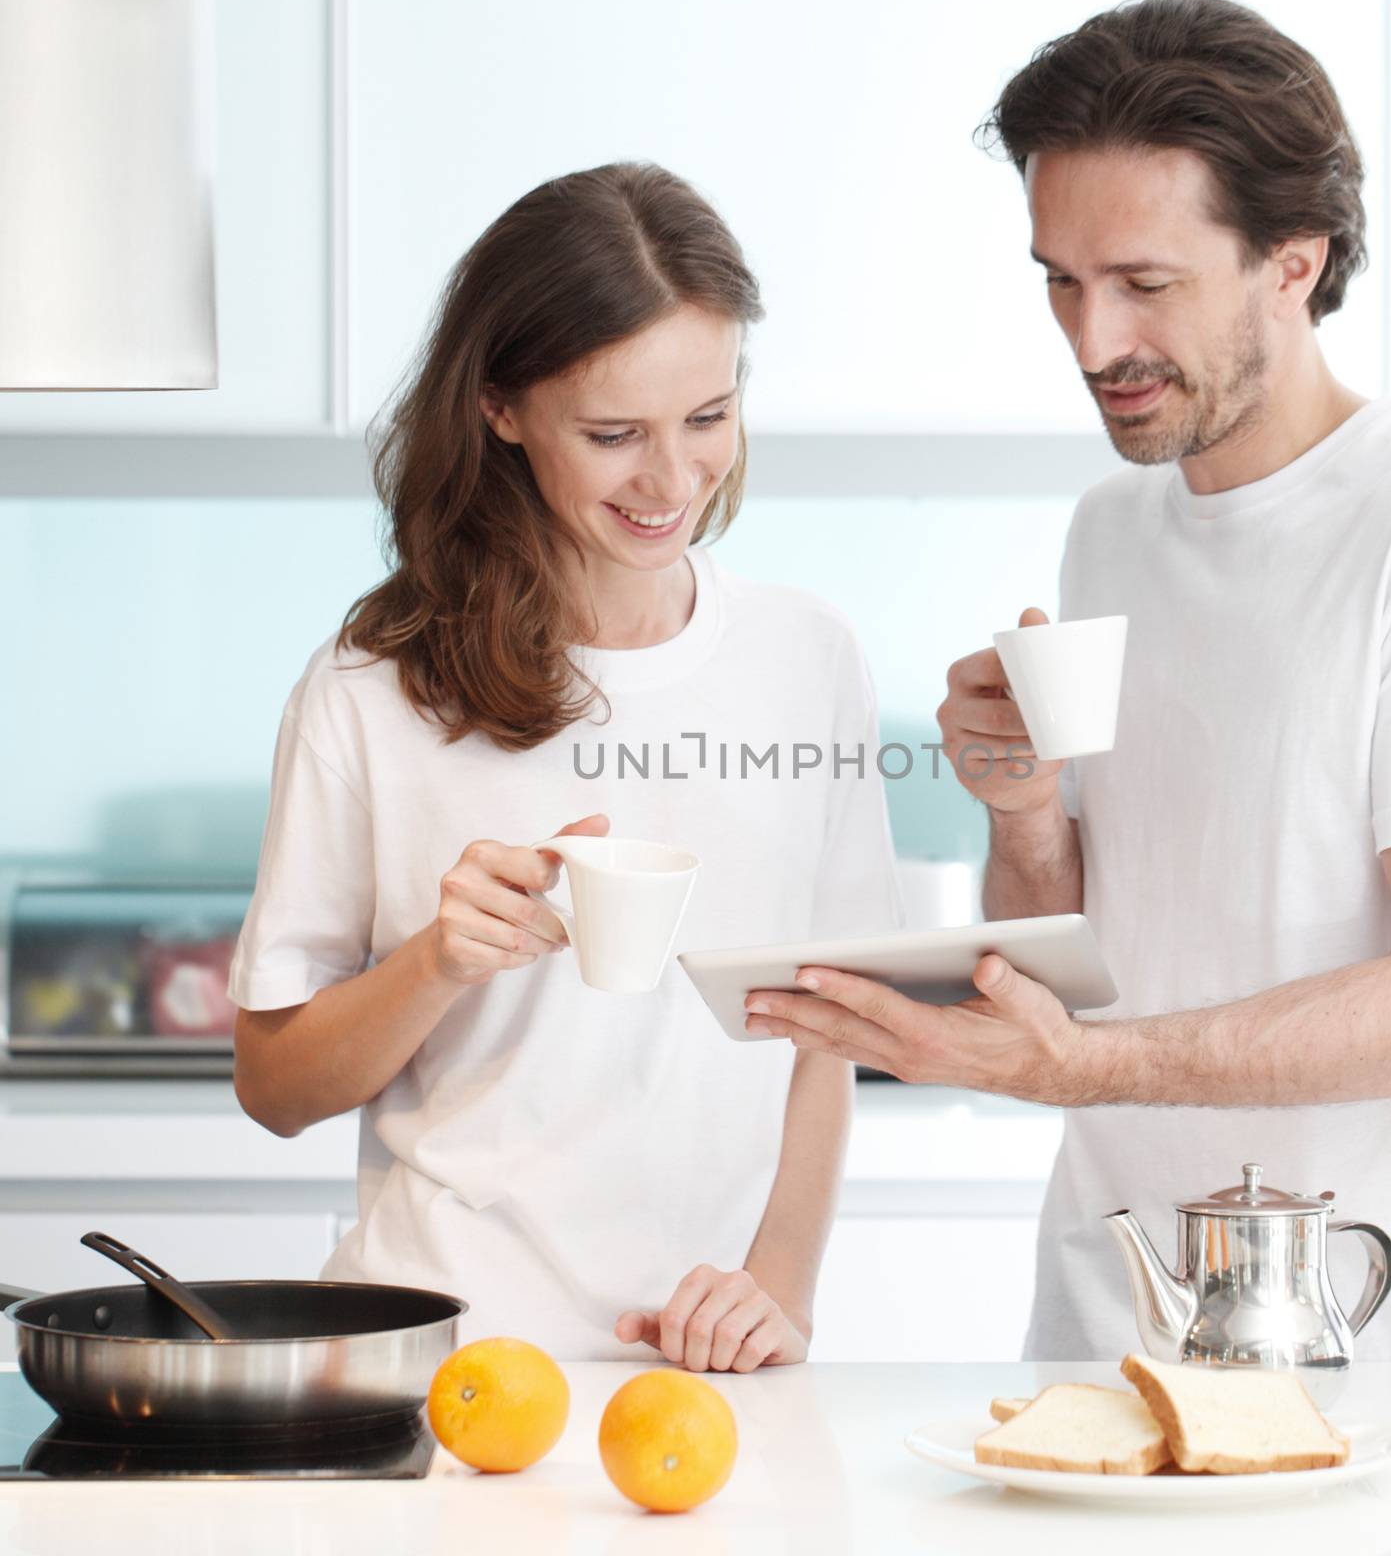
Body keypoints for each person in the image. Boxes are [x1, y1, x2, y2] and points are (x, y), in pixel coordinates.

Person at [742, 0, 1391, 1360]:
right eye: (1061, 282)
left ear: (1294, 263)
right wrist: (1023, 809)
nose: (1093, 346)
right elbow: (1084, 962)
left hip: (1364, 1341)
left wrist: (1089, 1071)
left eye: (1145, 284)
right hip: (1112, 1318)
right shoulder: (1114, 529)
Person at [229, 162, 902, 1370]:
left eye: (708, 416)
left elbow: (828, 1029)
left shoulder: (809, 656)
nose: (671, 480)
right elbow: (274, 1085)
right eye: (612, 434)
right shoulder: (372, 687)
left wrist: (777, 1290)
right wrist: (440, 961)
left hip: (708, 1370)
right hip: (444, 1357)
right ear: (500, 408)